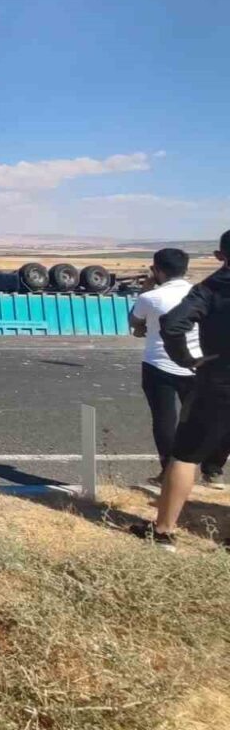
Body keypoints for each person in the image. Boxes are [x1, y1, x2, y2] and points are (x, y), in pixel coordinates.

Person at [131, 230, 230, 549]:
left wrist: (189, 359)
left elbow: (173, 325)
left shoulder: (211, 288)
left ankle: (163, 531)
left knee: (185, 456)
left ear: (219, 256)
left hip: (218, 380)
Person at [126, 249, 219, 486]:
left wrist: (146, 290)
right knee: (205, 417)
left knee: (164, 419)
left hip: (159, 364)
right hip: (195, 363)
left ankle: (168, 471)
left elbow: (135, 322)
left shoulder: (151, 297)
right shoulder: (201, 293)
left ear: (157, 270)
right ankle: (212, 470)